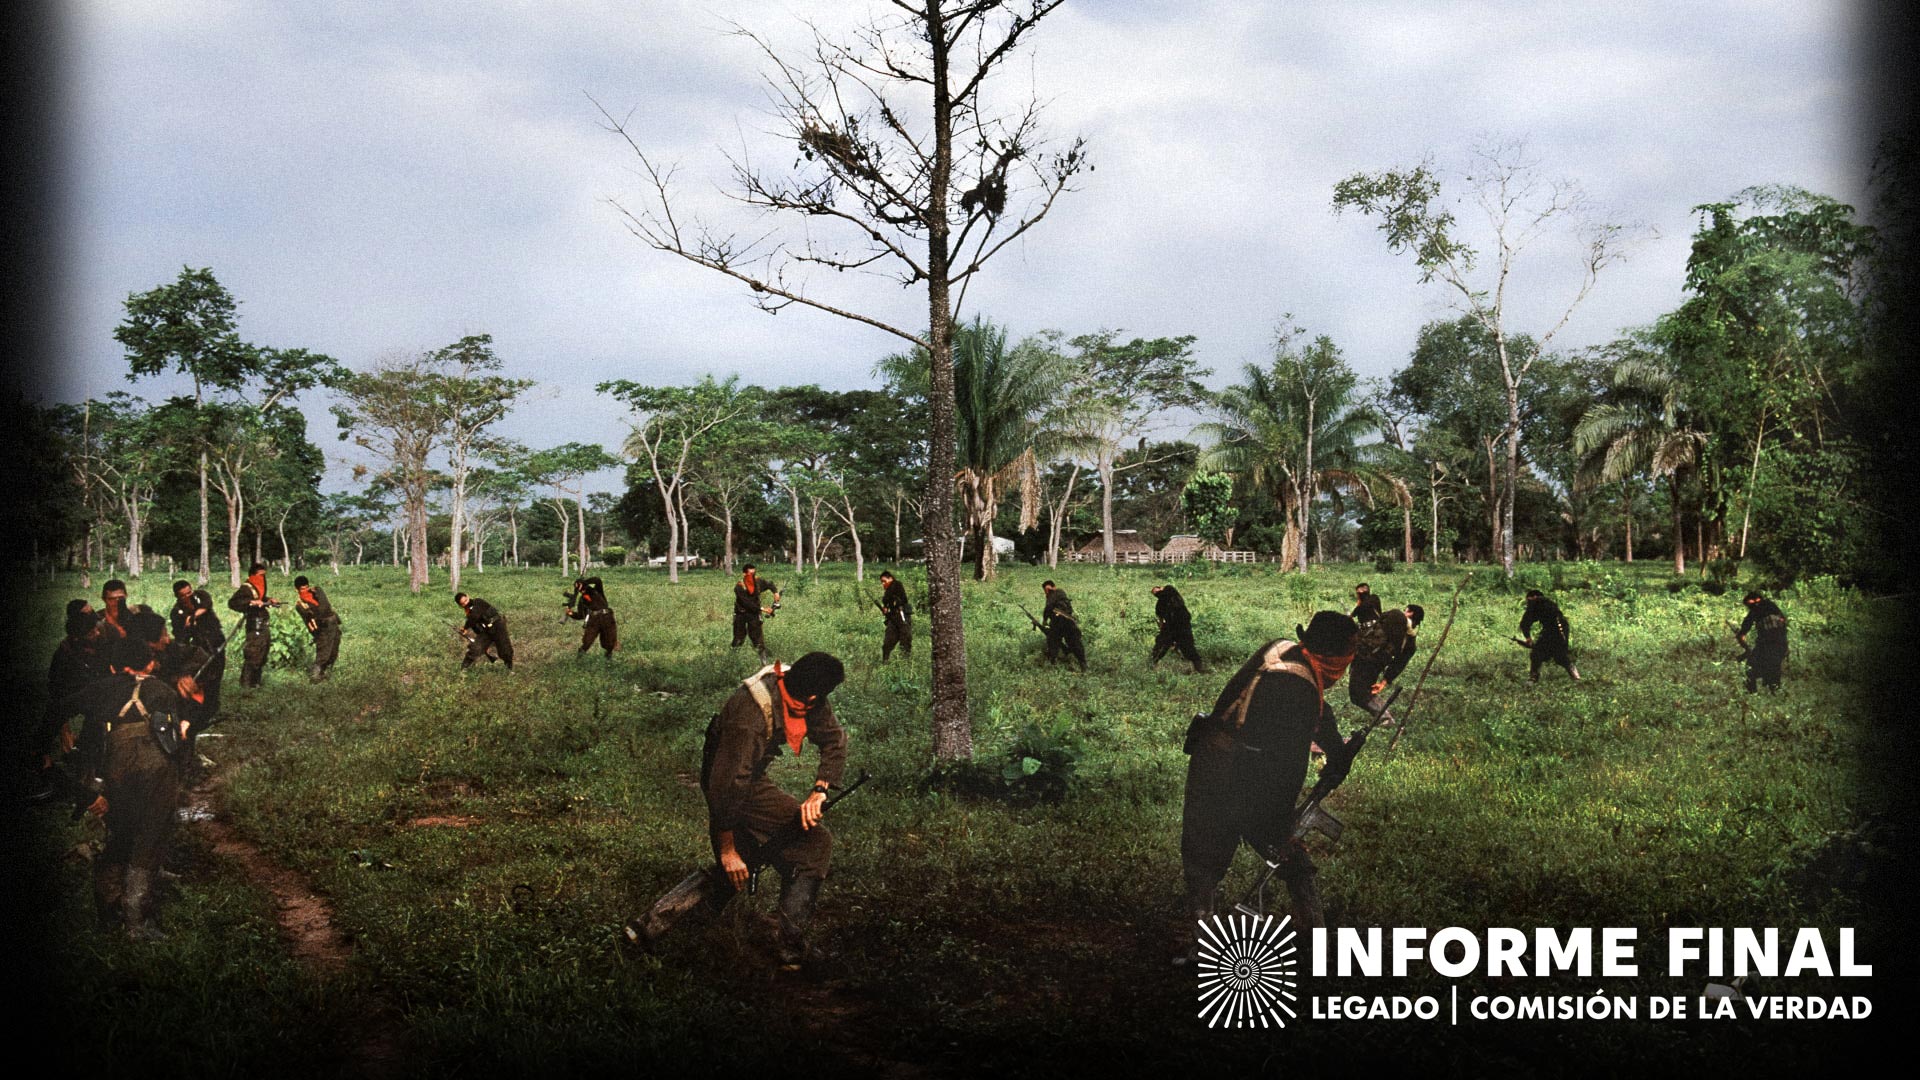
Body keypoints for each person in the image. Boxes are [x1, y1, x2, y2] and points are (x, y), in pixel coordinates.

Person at [626, 652, 849, 970]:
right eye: (804, 702)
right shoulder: (750, 717)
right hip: (726, 776)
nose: (808, 707)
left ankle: (649, 930)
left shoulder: (806, 688)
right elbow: (726, 788)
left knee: (750, 857)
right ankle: (786, 947)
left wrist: (819, 790)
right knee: (807, 846)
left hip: (749, 776)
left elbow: (834, 741)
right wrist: (727, 848)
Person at [1178, 612, 1361, 956]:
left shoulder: (1285, 651)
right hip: (1231, 765)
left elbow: (1320, 709)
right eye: (1347, 656)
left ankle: (1312, 933)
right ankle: (1203, 939)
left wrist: (1338, 752)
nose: (1348, 666)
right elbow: (1283, 767)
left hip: (1220, 753)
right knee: (1226, 849)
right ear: (1332, 656)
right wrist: (1281, 823)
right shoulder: (1292, 689)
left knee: (1210, 855)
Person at [52, 633, 191, 940]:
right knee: (149, 838)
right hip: (156, 774)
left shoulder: (101, 688)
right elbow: (175, 742)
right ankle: (137, 922)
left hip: (114, 773)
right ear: (150, 663)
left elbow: (58, 707)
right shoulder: (163, 691)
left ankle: (109, 910)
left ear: (115, 667)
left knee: (120, 833)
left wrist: (46, 746)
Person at [170, 579, 226, 718]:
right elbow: (180, 636)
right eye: (183, 595)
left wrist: (193, 616)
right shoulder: (176, 612)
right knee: (204, 676)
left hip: (215, 640)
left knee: (218, 672)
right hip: (199, 646)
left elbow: (207, 605)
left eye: (189, 592)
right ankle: (203, 707)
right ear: (178, 597)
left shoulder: (200, 596)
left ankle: (214, 705)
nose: (188, 596)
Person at [1348, 605, 1412, 711]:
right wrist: (1385, 680)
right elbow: (1399, 662)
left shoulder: (1394, 616)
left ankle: (1384, 717)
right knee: (1360, 693)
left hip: (1366, 659)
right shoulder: (1408, 640)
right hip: (1374, 662)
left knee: (1358, 695)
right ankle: (1383, 716)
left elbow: (1369, 633)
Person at [226, 562, 278, 688]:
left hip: (263, 624)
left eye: (264, 575)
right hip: (254, 625)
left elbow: (260, 597)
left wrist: (269, 600)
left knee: (262, 653)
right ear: (253, 576)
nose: (262, 578)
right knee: (253, 653)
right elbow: (233, 603)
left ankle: (256, 682)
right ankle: (246, 684)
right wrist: (251, 603)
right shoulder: (246, 588)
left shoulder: (257, 588)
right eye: (260, 575)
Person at [1519, 589, 1580, 683]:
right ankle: (1575, 676)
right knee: (1558, 655)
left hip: (1555, 630)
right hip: (1560, 628)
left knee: (1537, 653)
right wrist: (1528, 638)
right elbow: (1526, 623)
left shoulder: (1536, 602)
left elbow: (1525, 623)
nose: (1528, 603)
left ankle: (1533, 678)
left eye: (1529, 600)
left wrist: (1528, 638)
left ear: (1533, 597)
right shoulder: (1548, 603)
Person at [1736, 591, 1788, 693]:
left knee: (1750, 668)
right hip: (1781, 644)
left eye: (1748, 604)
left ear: (1754, 601)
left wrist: (1742, 637)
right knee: (1773, 670)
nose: (1749, 607)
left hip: (1768, 645)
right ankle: (1775, 694)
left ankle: (1753, 694)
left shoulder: (1756, 610)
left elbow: (1743, 631)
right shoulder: (1773, 608)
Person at [292, 575, 343, 682]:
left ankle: (326, 673)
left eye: (306, 587)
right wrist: (316, 634)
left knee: (334, 650)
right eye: (302, 589)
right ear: (296, 590)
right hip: (322, 628)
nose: (305, 590)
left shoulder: (317, 592)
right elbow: (308, 621)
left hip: (333, 623)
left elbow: (326, 606)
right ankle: (315, 676)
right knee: (323, 653)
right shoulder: (300, 605)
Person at [1150, 584, 1204, 673]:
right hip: (1173, 626)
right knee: (1161, 647)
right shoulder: (1161, 604)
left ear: (1161, 588)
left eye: (1156, 590)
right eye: (1154, 592)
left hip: (1181, 625)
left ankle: (1198, 668)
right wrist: (1163, 630)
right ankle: (1152, 664)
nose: (1155, 592)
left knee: (1188, 648)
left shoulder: (1169, 592)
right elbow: (1161, 619)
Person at [731, 564, 779, 662]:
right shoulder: (739, 587)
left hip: (754, 615)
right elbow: (747, 603)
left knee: (758, 639)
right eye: (750, 574)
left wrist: (775, 592)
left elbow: (769, 584)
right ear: (744, 574)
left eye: (754, 573)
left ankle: (763, 662)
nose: (753, 576)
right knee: (738, 638)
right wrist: (762, 609)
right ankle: (733, 661)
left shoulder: (758, 581)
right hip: (741, 614)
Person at [455, 593, 514, 671]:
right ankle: (462, 670)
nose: (466, 603)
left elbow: (475, 616)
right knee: (475, 648)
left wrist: (465, 627)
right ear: (460, 605)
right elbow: (476, 628)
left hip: (498, 625)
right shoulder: (468, 613)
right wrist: (481, 641)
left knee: (505, 649)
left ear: (468, 596)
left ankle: (509, 669)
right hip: (486, 631)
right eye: (463, 603)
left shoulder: (478, 602)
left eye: (466, 600)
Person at [565, 575, 618, 659]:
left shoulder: (597, 590)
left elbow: (597, 580)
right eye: (578, 588)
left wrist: (585, 581)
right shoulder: (582, 600)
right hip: (594, 620)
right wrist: (570, 613)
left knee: (609, 642)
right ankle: (579, 657)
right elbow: (581, 615)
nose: (580, 589)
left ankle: (609, 656)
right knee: (587, 641)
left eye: (580, 586)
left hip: (607, 617)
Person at [1040, 580, 1086, 671]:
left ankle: (1054, 664)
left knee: (1055, 641)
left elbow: (1048, 608)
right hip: (1067, 620)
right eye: (1046, 591)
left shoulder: (1055, 593)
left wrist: (1045, 620)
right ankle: (1082, 663)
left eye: (1048, 590)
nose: (1047, 592)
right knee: (1071, 642)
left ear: (1053, 587)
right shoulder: (1061, 593)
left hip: (1060, 621)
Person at [878, 570, 912, 661]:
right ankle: (885, 662)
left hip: (902, 616)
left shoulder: (896, 584)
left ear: (891, 578)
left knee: (905, 641)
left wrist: (885, 603)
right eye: (882, 582)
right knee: (887, 643)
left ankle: (905, 663)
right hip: (893, 618)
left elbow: (888, 597)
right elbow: (887, 600)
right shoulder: (888, 591)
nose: (883, 584)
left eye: (884, 581)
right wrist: (885, 608)